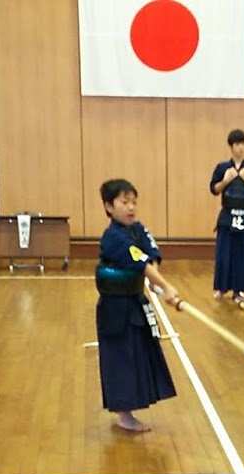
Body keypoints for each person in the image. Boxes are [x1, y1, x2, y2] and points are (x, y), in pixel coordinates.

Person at [95, 178, 183, 433]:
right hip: (115, 309)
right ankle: (124, 414)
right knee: (121, 357)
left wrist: (155, 281)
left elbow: (150, 254)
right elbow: (139, 262)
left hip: (135, 302)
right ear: (109, 206)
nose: (131, 207)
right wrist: (165, 287)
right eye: (124, 202)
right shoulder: (112, 237)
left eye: (134, 202)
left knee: (140, 353)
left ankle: (131, 409)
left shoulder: (138, 229)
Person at [210, 129, 244, 306]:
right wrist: (226, 180)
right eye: (236, 144)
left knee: (243, 254)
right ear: (231, 147)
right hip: (227, 216)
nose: (240, 148)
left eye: (242, 144)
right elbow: (214, 189)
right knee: (224, 252)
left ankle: (239, 290)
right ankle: (221, 287)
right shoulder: (222, 168)